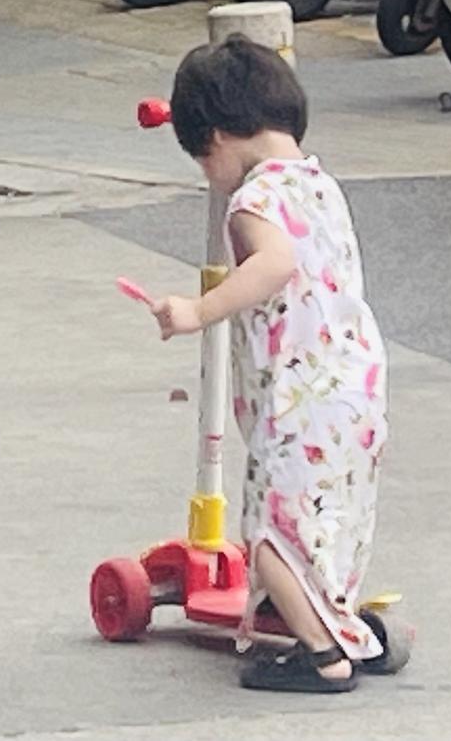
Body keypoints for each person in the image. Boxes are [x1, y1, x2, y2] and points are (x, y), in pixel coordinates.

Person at [142, 36, 389, 693]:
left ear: (217, 137)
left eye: (201, 157)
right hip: (355, 381)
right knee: (330, 517)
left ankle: (323, 652)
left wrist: (199, 310)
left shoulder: (256, 201)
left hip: (300, 392)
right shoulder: (319, 183)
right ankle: (339, 620)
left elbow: (274, 264)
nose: (207, 172)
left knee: (272, 531)